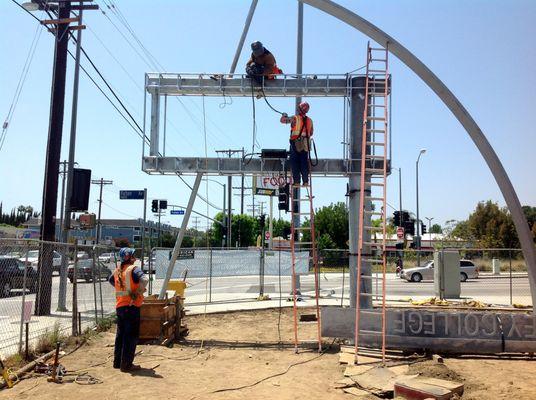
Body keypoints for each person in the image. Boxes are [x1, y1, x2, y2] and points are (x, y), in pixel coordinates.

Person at [108, 247, 148, 372]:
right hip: (132, 307)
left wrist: (123, 291)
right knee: (130, 336)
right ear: (128, 257)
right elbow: (145, 279)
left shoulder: (118, 270)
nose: (134, 257)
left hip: (120, 307)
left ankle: (117, 362)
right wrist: (137, 292)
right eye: (133, 255)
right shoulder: (133, 269)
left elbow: (110, 280)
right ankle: (126, 365)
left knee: (120, 335)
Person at [280, 101, 314, 186]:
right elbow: (311, 132)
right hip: (306, 144)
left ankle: (297, 182)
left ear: (299, 109)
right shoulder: (310, 120)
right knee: (304, 162)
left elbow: (282, 121)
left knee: (294, 162)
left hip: (296, 143)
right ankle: (305, 181)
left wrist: (284, 115)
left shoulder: (295, 118)